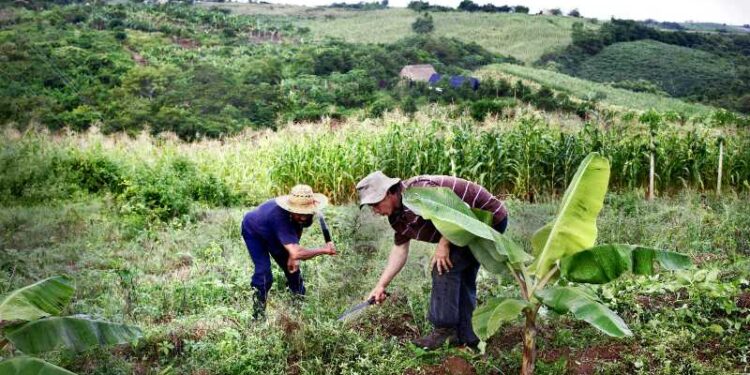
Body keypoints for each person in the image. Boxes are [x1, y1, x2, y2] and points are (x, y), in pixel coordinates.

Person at [357, 171, 508, 349]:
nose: (375, 211)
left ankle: (444, 331)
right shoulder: (397, 217)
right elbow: (400, 250)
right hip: (468, 224)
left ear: (390, 192)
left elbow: (459, 211)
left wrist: (443, 244)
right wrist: (380, 285)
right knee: (462, 273)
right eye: (371, 207)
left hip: (486, 217)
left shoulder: (418, 191)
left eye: (376, 204)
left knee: (444, 266)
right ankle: (469, 336)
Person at [241, 184, 336, 318]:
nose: (303, 217)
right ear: (290, 209)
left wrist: (293, 255)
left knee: (293, 271)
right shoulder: (279, 217)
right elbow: (297, 251)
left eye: (306, 213)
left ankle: (297, 313)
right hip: (254, 231)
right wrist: (324, 249)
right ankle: (258, 316)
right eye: (299, 213)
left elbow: (298, 227)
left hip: (275, 231)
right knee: (263, 274)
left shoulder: (303, 214)